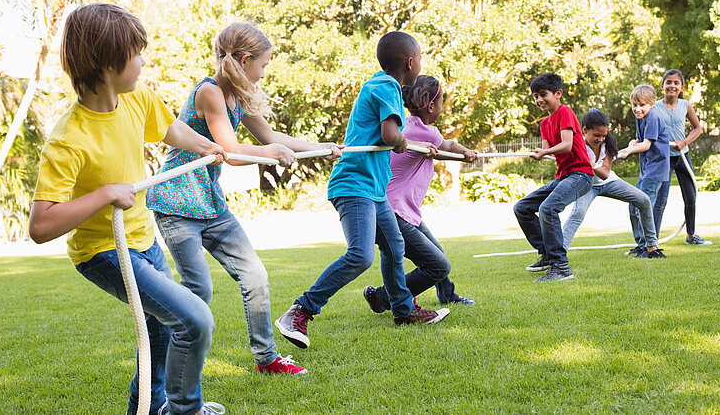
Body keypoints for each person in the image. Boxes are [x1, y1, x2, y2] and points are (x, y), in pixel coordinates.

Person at [28, 3, 227, 415]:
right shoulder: (68, 139)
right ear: (107, 63)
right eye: (136, 53)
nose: (142, 61)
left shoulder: (136, 100)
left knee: (160, 331)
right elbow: (41, 225)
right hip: (104, 252)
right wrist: (104, 194)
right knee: (195, 320)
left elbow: (169, 128)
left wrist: (203, 144)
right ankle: (186, 409)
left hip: (145, 240)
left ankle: (149, 408)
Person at [147, 23, 342, 376]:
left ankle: (266, 360)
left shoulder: (237, 93)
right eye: (264, 65)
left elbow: (269, 134)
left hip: (208, 202)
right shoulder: (209, 92)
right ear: (247, 59)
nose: (264, 74)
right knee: (198, 289)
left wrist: (322, 148)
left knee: (255, 276)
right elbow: (231, 152)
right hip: (176, 202)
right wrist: (270, 151)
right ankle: (172, 367)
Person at [275, 32, 450, 350]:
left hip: (374, 189)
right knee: (360, 255)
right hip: (354, 185)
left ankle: (404, 311)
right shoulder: (386, 87)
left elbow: (385, 135)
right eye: (420, 58)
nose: (420, 63)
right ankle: (300, 310)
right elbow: (389, 133)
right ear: (410, 62)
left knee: (395, 246)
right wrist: (401, 141)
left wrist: (396, 141)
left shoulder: (380, 85)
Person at [362, 75, 477, 314]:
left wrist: (462, 151)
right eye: (442, 100)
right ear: (432, 106)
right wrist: (466, 153)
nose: (443, 106)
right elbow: (447, 148)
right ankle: (384, 296)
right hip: (395, 211)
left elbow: (441, 147)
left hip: (399, 209)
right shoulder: (426, 131)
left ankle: (447, 294)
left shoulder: (402, 124)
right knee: (437, 265)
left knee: (437, 253)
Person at [514, 73, 594, 281]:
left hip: (581, 174)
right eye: (535, 96)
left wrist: (544, 152)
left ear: (558, 94)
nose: (539, 100)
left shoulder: (565, 112)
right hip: (564, 176)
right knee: (522, 208)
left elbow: (567, 145)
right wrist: (537, 153)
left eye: (543, 94)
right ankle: (548, 255)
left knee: (548, 209)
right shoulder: (544, 124)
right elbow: (546, 150)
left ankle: (561, 267)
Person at [561, 109, 662, 258]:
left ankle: (652, 248)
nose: (600, 139)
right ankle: (558, 254)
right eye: (596, 135)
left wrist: (591, 165)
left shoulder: (608, 143)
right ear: (585, 130)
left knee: (643, 200)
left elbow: (605, 173)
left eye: (603, 135)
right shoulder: (577, 145)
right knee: (578, 213)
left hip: (609, 181)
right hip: (587, 185)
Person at [654, 69, 712, 246]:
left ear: (681, 87)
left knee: (690, 197)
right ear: (662, 85)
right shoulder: (654, 107)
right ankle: (652, 240)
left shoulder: (685, 105)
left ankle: (691, 235)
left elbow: (697, 128)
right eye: (669, 82)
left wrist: (684, 142)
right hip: (664, 158)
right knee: (660, 200)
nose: (672, 85)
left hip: (682, 157)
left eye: (676, 83)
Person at [617, 84, 670, 258]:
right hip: (646, 169)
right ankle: (641, 245)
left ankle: (651, 248)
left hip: (655, 170)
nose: (637, 109)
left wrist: (629, 151)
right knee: (633, 205)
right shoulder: (642, 117)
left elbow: (647, 145)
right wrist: (633, 142)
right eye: (634, 105)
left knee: (643, 206)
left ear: (652, 104)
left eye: (642, 105)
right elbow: (642, 139)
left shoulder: (653, 117)